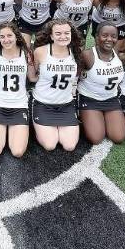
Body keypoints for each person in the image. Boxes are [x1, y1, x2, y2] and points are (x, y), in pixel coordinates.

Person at [30, 19, 83, 151]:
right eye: (58, 33)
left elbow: (76, 76)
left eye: (67, 33)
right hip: (43, 103)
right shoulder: (41, 52)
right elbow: (32, 76)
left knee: (69, 146)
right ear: (51, 36)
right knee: (50, 145)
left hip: (66, 105)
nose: (63, 36)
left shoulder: (75, 52)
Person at [0, 21, 35, 157]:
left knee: (18, 152)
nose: (6, 40)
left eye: (9, 36)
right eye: (2, 37)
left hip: (19, 106)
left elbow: (32, 78)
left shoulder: (26, 54)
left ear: (17, 36)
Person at [78, 22, 125, 144]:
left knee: (118, 137)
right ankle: (83, 116)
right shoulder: (87, 55)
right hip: (90, 99)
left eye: (113, 36)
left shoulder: (119, 55)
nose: (109, 39)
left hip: (111, 99)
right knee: (96, 138)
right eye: (104, 35)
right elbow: (75, 77)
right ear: (96, 36)